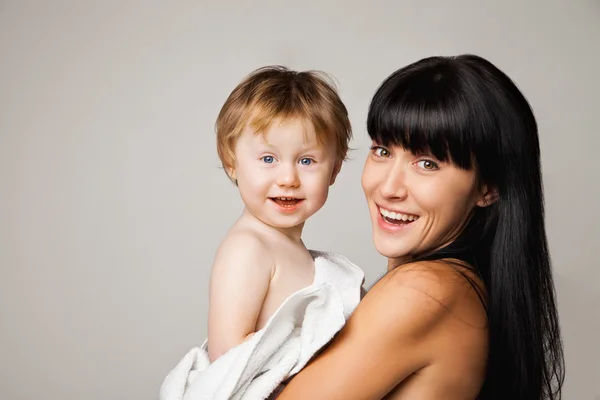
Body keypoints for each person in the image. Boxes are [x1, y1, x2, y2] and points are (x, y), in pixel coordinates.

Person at [275, 54, 565, 399]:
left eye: (426, 163)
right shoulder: (462, 288)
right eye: (382, 150)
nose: (388, 188)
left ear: (488, 188)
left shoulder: (425, 291)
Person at [159, 66, 364, 400]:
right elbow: (230, 367)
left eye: (307, 161)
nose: (288, 178)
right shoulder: (248, 248)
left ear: (335, 169)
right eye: (268, 158)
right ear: (231, 163)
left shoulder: (286, 247)